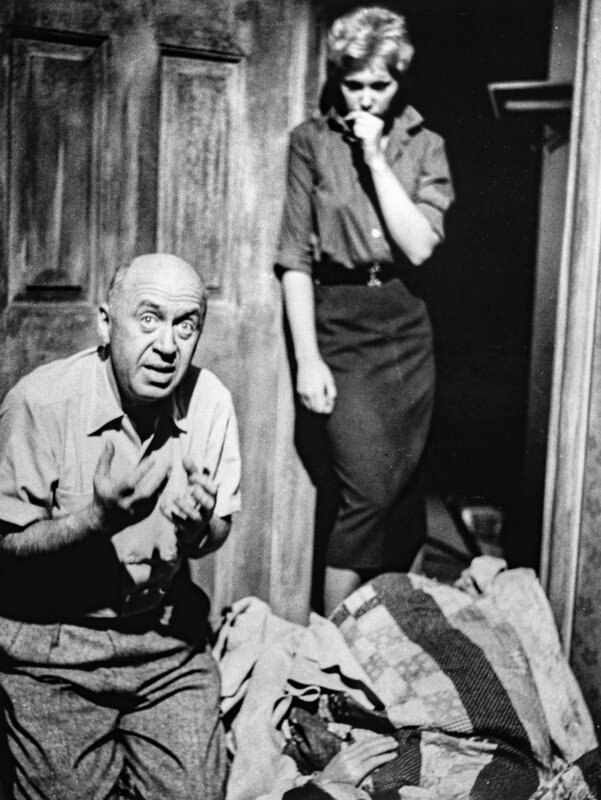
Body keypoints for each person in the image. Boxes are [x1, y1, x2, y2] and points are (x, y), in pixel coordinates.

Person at [0, 254, 241, 799]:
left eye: (186, 325)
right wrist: (97, 520)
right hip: (52, 652)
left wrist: (199, 528)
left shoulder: (210, 402)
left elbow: (218, 530)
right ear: (107, 324)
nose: (167, 345)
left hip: (165, 644)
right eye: (149, 319)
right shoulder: (40, 402)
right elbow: (5, 544)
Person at [276, 6, 454, 615]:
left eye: (380, 84)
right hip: (340, 323)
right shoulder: (311, 142)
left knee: (403, 492)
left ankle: (393, 636)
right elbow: (294, 259)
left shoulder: (425, 145)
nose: (367, 98)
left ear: (399, 79)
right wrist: (308, 360)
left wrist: (377, 159)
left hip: (405, 324)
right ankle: (328, 646)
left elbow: (420, 247)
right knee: (368, 494)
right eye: (354, 84)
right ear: (338, 79)